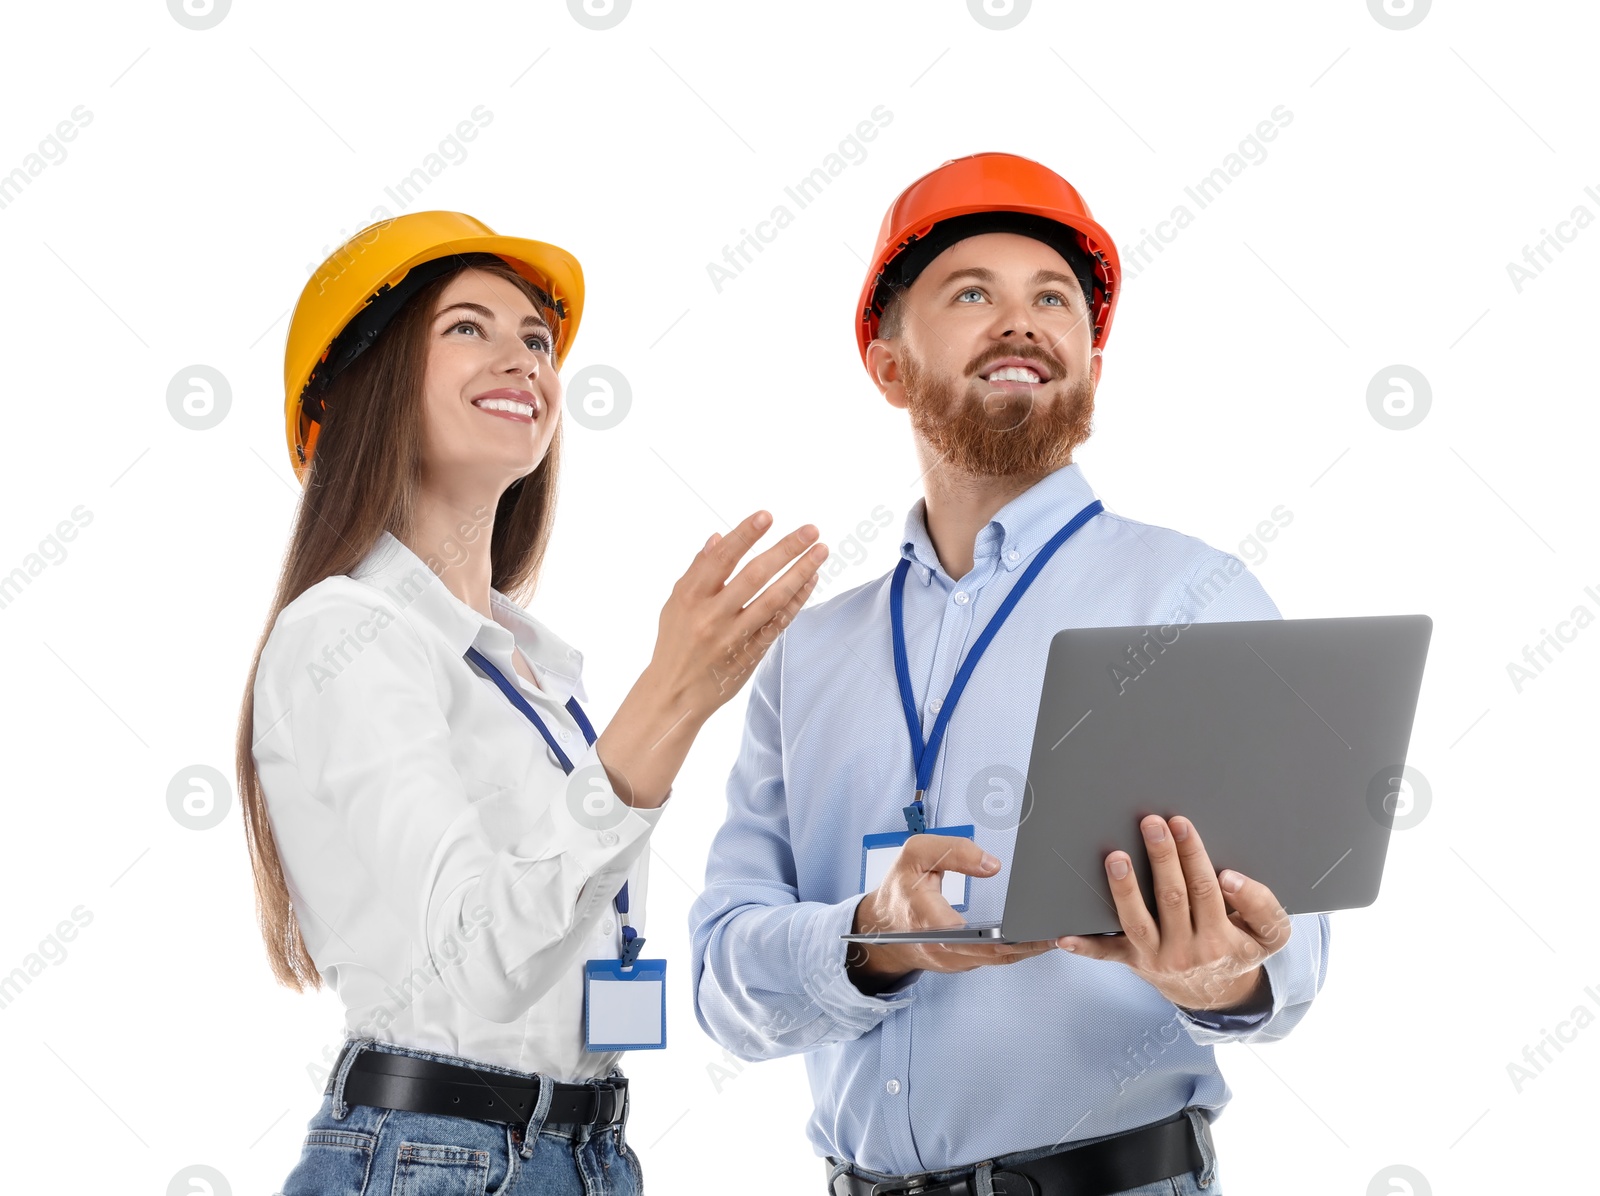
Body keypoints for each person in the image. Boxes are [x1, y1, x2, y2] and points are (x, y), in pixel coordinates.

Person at [689, 153, 1331, 1196]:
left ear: (1088, 362)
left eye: (1053, 299)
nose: (1021, 320)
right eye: (972, 292)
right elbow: (722, 981)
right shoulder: (809, 653)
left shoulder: (1194, 597)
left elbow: (1295, 950)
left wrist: (1226, 975)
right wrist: (870, 937)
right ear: (889, 363)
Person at [239, 210, 827, 1195]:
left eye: (536, 339)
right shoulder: (343, 636)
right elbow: (482, 959)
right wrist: (670, 698)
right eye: (467, 326)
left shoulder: (541, 672)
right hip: (438, 1152)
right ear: (359, 386)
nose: (520, 358)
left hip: (586, 1148)